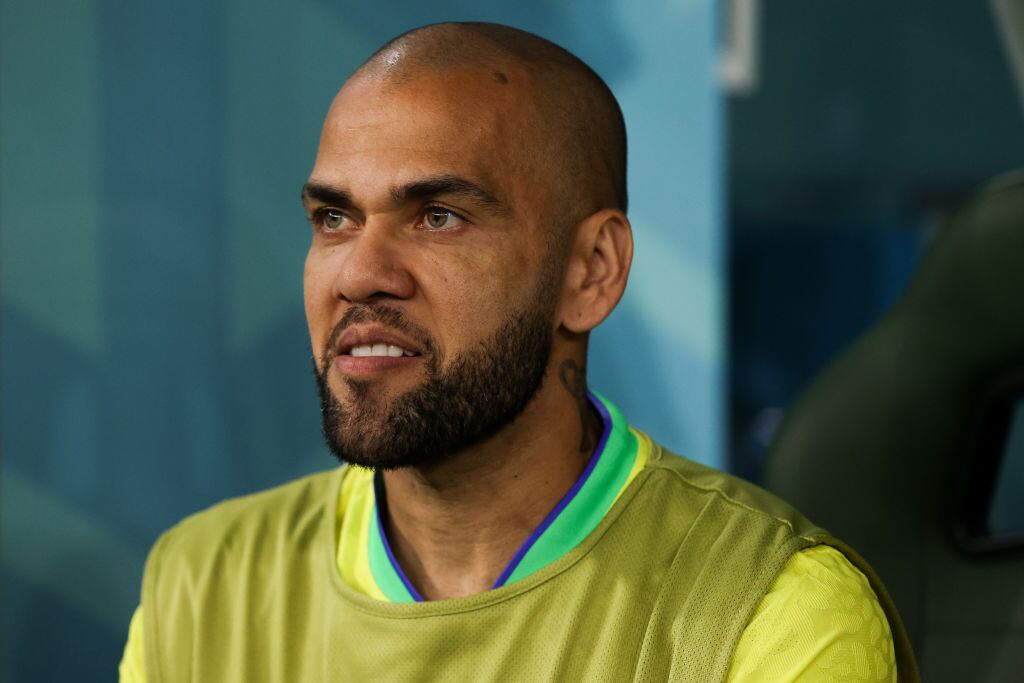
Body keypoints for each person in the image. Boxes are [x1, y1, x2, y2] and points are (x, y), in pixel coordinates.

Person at [119, 22, 918, 682]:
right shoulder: (201, 585)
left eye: (438, 216)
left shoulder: (770, 610)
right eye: (334, 220)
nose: (360, 272)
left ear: (592, 271)